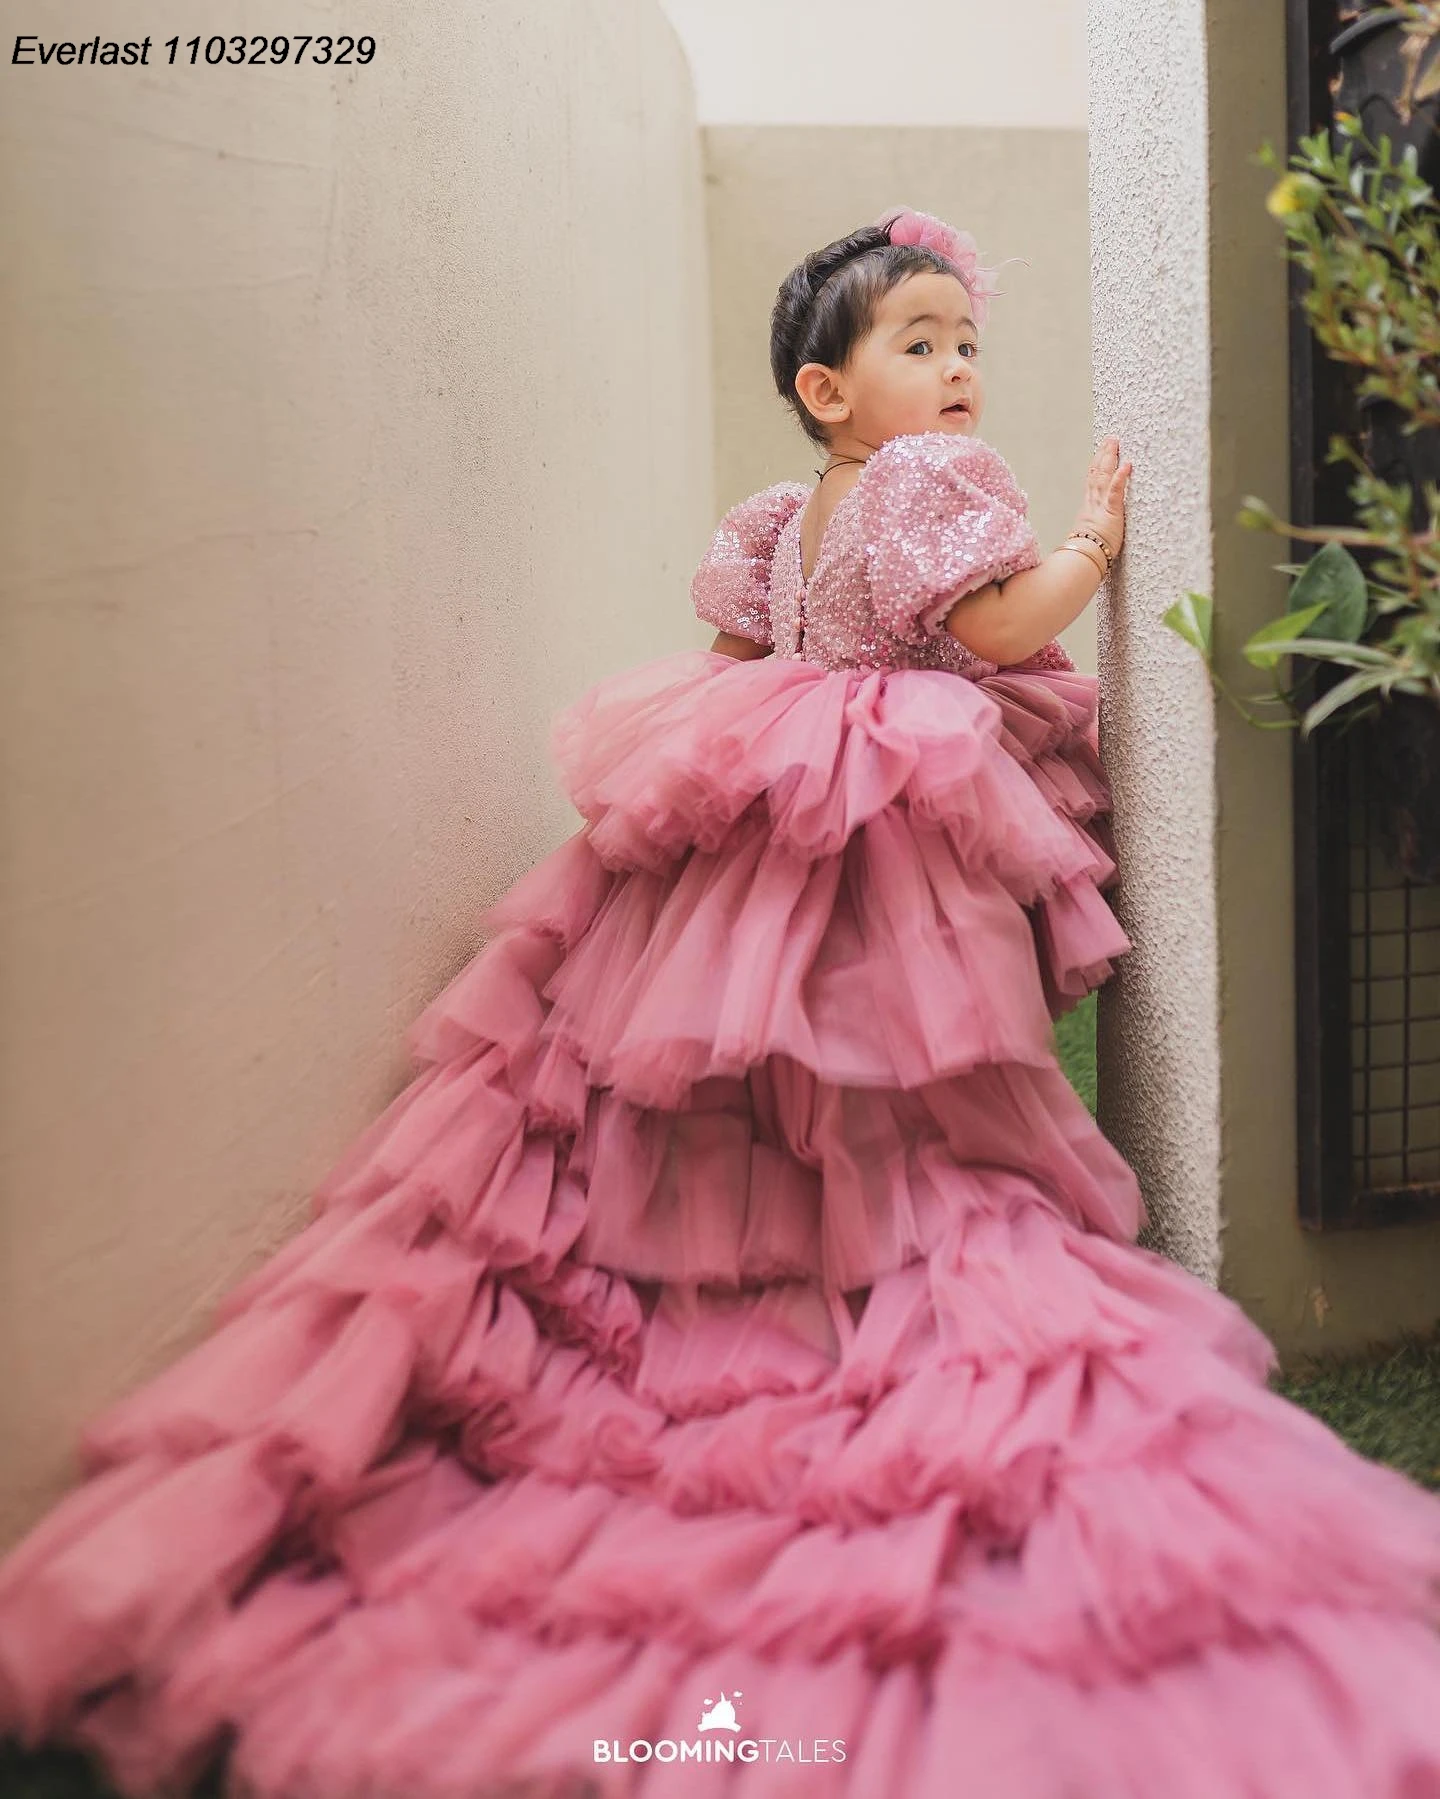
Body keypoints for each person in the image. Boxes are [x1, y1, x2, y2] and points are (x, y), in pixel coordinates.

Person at [1, 205, 1439, 1799]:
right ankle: (863, 1239)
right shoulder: (929, 485)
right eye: (921, 343)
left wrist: (790, 711)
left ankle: (752, 1242)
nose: (960, 370)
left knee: (754, 1052)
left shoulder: (786, 513)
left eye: (970, 345)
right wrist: (1094, 548)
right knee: (892, 1056)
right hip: (887, 815)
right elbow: (994, 629)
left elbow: (733, 642)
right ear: (830, 390)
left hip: (775, 799)